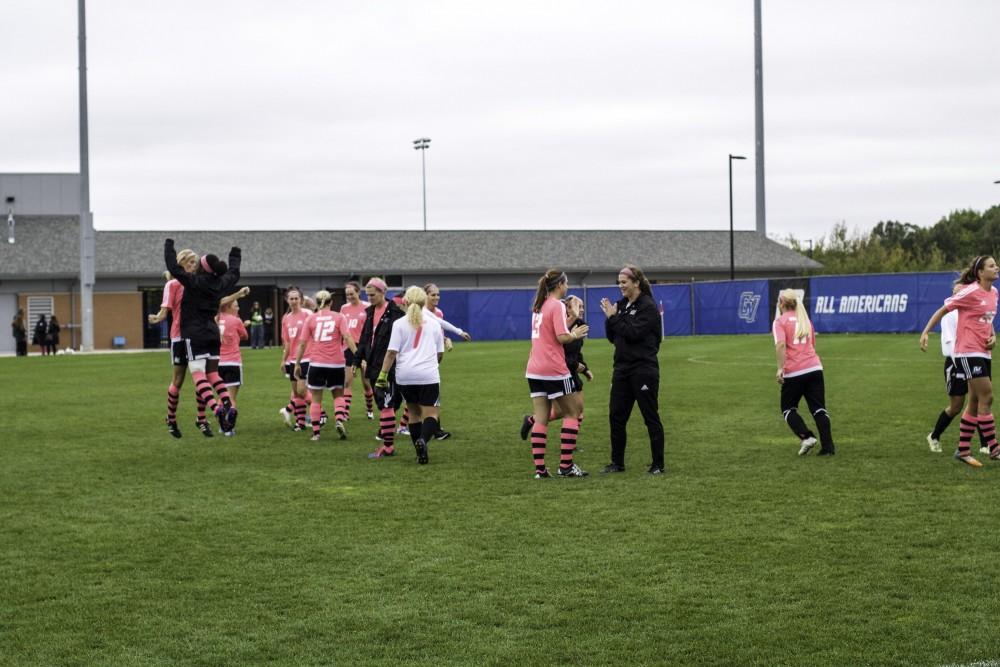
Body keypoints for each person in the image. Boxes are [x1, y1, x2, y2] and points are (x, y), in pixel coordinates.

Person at [920, 255, 999, 467]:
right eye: (992, 266)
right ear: (981, 272)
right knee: (987, 396)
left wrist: (993, 337)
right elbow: (942, 310)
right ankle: (994, 448)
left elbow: (987, 321)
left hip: (984, 352)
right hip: (967, 352)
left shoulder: (994, 293)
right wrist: (926, 332)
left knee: (974, 401)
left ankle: (963, 450)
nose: (996, 267)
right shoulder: (971, 291)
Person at [164, 238, 242, 435]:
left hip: (192, 334)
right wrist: (235, 255)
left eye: (196, 263)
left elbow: (172, 266)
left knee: (198, 374)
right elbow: (233, 273)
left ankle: (211, 413)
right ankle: (226, 407)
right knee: (209, 375)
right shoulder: (218, 281)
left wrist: (169, 246)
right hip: (208, 332)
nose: (193, 265)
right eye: (190, 262)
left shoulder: (192, 281)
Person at [600, 265, 665, 474]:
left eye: (624, 282)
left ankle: (658, 465)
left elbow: (634, 333)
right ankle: (617, 463)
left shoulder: (647, 307)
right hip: (621, 369)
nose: (621, 286)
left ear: (636, 282)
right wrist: (610, 319)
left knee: (650, 416)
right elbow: (614, 336)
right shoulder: (621, 305)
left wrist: (614, 318)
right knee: (616, 416)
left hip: (643, 369)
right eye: (619, 282)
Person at [525, 269, 589, 479]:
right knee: (573, 413)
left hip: (534, 369)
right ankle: (566, 466)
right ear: (560, 284)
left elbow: (549, 334)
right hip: (553, 369)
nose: (567, 287)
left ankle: (540, 470)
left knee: (541, 419)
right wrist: (575, 333)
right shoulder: (557, 305)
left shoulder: (538, 306)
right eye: (566, 283)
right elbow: (562, 337)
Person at [375, 286, 444, 464]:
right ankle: (423, 440)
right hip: (428, 375)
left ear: (405, 301)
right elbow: (440, 353)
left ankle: (419, 452)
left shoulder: (399, 324)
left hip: (404, 375)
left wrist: (382, 375)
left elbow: (391, 353)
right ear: (424, 302)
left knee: (413, 413)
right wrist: (432, 365)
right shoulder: (434, 324)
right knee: (431, 414)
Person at [925, 283, 992, 454]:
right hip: (955, 363)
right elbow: (950, 345)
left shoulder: (971, 312)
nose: (960, 292)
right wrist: (963, 364)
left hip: (970, 359)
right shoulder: (950, 315)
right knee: (956, 406)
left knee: (977, 400)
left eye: (962, 289)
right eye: (956, 291)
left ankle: (985, 444)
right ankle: (934, 435)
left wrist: (992, 337)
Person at [520, 294, 593, 442]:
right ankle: (532, 420)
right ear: (567, 308)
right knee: (565, 412)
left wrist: (585, 369)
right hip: (558, 371)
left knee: (578, 410)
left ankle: (570, 443)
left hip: (570, 371)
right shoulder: (560, 324)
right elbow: (556, 352)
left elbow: (576, 352)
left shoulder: (580, 324)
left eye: (582, 307)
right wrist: (576, 365)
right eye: (577, 306)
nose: (581, 310)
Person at [772, 288, 835, 457]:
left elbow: (780, 345)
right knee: (819, 409)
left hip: (794, 371)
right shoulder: (805, 320)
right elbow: (812, 344)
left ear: (782, 303)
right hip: (815, 368)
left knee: (787, 409)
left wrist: (780, 368)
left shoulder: (780, 322)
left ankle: (806, 437)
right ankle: (828, 448)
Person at [295, 290, 356, 441]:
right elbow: (347, 337)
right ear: (331, 302)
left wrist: (297, 363)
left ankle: (316, 433)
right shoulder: (339, 317)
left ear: (316, 303)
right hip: (336, 363)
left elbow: (302, 344)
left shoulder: (311, 319)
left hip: (317, 363)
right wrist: (358, 355)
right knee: (338, 395)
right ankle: (340, 420)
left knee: (316, 399)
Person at [356, 277, 406, 459]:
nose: (369, 298)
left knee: (387, 405)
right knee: (386, 404)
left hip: (389, 366)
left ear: (383, 292)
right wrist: (357, 360)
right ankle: (388, 439)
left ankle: (388, 447)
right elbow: (364, 339)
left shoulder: (395, 313)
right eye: (367, 295)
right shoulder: (368, 312)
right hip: (373, 365)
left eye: (372, 294)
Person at [421, 283, 473, 441]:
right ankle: (430, 431)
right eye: (432, 294)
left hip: (428, 357)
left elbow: (438, 328)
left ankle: (433, 429)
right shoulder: (421, 312)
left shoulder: (433, 313)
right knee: (427, 395)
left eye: (438, 294)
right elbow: (439, 325)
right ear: (424, 296)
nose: (436, 297)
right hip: (423, 359)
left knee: (424, 394)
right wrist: (458, 332)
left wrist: (446, 339)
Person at [279, 286, 312, 431]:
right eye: (291, 298)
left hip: (307, 357)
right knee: (297, 393)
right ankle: (300, 423)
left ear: (301, 300)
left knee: (302, 390)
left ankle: (321, 413)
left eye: (296, 298)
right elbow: (286, 342)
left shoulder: (308, 314)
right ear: (287, 300)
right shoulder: (286, 318)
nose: (293, 301)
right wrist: (283, 360)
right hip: (292, 359)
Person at [339, 281, 374, 421]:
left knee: (366, 383)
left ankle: (370, 409)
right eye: (347, 294)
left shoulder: (367, 307)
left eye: (352, 293)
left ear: (358, 293)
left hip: (364, 347)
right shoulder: (343, 308)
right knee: (347, 382)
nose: (350, 296)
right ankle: (345, 413)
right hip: (348, 347)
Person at [218, 298, 249, 435]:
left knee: (221, 395)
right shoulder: (236, 320)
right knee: (231, 397)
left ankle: (221, 425)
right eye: (236, 306)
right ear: (228, 307)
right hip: (233, 362)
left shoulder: (215, 318)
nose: (238, 308)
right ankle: (229, 429)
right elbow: (245, 336)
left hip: (217, 364)